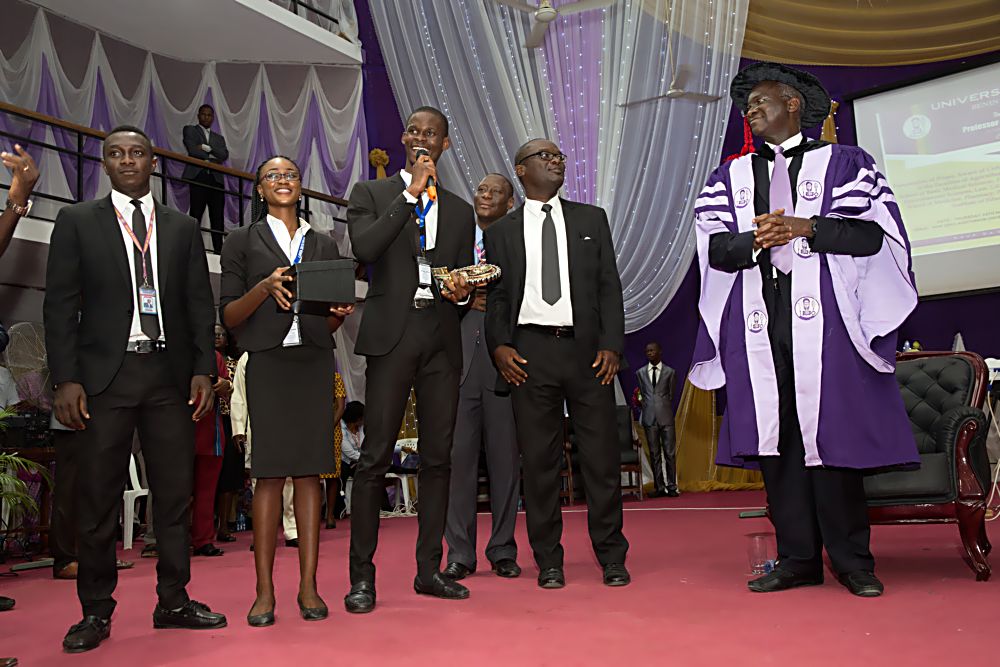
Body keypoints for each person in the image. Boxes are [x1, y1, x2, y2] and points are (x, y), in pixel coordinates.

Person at [690, 62, 919, 597]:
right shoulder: (730, 178)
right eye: (746, 105)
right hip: (758, 325)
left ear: (793, 103)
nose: (750, 110)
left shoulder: (845, 163)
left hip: (830, 326)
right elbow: (713, 250)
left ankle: (853, 561)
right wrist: (754, 240)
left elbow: (872, 237)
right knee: (779, 443)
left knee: (833, 441)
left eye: (760, 100)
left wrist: (804, 228)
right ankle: (797, 559)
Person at [44, 125, 225, 653]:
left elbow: (197, 304)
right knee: (97, 499)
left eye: (137, 152)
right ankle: (95, 613)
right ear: (104, 163)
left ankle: (173, 601)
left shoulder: (182, 227)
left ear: (153, 162)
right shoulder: (76, 221)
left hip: (169, 377)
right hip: (105, 379)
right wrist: (66, 379)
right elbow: (59, 307)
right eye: (117, 153)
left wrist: (202, 369)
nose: (128, 160)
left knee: (175, 495)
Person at [345, 106, 474, 613]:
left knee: (439, 459)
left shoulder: (462, 211)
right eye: (415, 131)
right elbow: (366, 247)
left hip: (441, 337)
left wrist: (463, 292)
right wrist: (409, 194)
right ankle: (362, 579)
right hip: (391, 336)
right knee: (375, 457)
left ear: (445, 144)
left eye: (432, 134)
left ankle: (429, 571)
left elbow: (460, 277)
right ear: (404, 138)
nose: (422, 138)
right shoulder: (371, 194)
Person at [485, 138, 630, 589]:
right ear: (521, 170)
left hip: (587, 353)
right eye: (544, 157)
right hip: (529, 353)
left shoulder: (591, 219)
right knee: (540, 464)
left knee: (601, 459)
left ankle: (611, 555)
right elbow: (499, 298)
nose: (555, 162)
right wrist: (499, 348)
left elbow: (609, 286)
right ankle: (549, 559)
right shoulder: (500, 233)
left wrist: (612, 344)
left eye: (559, 157)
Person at [220, 154, 353, 626]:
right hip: (269, 364)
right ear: (259, 189)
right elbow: (230, 317)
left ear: (301, 187)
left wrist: (339, 312)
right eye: (272, 175)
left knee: (311, 474)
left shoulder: (322, 243)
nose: (283, 180)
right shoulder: (241, 241)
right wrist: (264, 287)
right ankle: (263, 592)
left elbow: (330, 317)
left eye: (291, 175)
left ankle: (310, 587)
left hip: (313, 363)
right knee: (269, 475)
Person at [443, 173, 521, 581]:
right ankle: (459, 552)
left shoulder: (518, 240)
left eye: (496, 192)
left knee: (506, 460)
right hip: (459, 353)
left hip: (504, 358)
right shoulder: (456, 238)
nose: (486, 196)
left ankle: (503, 549)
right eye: (481, 190)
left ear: (510, 203)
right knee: (458, 461)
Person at [229, 352, 299, 548]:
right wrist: (238, 427)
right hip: (257, 424)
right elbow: (239, 394)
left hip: (287, 422)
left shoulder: (287, 352)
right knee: (258, 480)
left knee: (290, 478)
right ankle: (262, 533)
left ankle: (292, 530)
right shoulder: (247, 357)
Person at [191, 348, 232, 557]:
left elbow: (226, 389)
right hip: (176, 434)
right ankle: (170, 540)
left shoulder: (214, 357)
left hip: (210, 434)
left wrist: (226, 385)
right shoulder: (171, 349)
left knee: (206, 493)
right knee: (174, 493)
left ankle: (203, 540)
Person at [182, 104, 229, 253]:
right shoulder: (190, 130)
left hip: (216, 179)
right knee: (196, 214)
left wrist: (206, 148)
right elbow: (192, 150)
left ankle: (218, 251)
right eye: (203, 114)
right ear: (198, 115)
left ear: (213, 118)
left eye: (209, 115)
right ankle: (192, 249)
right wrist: (212, 156)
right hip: (198, 176)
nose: (206, 117)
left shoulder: (219, 138)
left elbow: (223, 155)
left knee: (217, 217)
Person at [635, 342, 678, 497]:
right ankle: (659, 486)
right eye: (647, 351)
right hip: (649, 418)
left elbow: (671, 394)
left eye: (652, 350)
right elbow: (643, 395)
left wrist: (661, 406)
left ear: (660, 351)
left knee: (669, 453)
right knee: (654, 453)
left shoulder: (670, 372)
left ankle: (672, 486)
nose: (650, 353)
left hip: (665, 417)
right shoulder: (640, 373)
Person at [214, 325, 244, 543]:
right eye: (213, 334)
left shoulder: (237, 362)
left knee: (228, 477)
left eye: (221, 334)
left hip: (231, 423)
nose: (217, 337)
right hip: (209, 419)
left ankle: (224, 525)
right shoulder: (203, 361)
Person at [321, 370, 347, 528]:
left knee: (332, 473)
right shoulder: (306, 375)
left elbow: (340, 406)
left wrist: (329, 428)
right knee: (310, 475)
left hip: (332, 430)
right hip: (310, 430)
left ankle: (330, 515)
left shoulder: (335, 377)